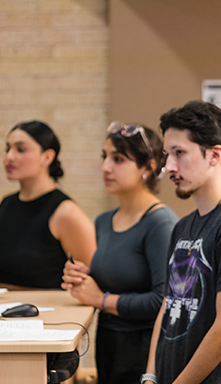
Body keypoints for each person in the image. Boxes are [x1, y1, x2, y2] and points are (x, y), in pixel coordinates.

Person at [142, 101, 221, 384]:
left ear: (215, 155)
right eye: (167, 155)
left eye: (179, 153)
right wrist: (150, 375)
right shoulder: (183, 225)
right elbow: (168, 305)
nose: (168, 166)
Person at [62, 122, 178, 384]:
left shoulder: (159, 223)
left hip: (143, 349)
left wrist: (101, 299)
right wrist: (82, 277)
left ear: (148, 167)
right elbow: (118, 277)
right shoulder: (104, 221)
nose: (105, 167)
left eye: (118, 159)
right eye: (105, 157)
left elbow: (163, 301)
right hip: (108, 342)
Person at [0, 120, 96, 290]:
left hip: (49, 312)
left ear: (47, 157)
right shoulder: (6, 204)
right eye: (8, 149)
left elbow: (91, 279)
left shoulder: (66, 213)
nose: (9, 157)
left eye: (20, 149)